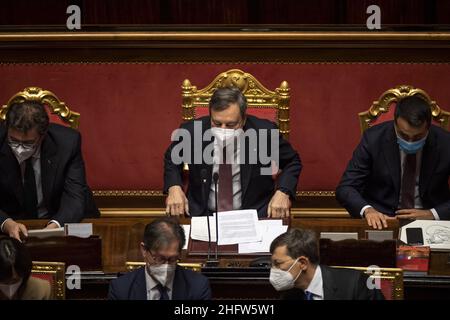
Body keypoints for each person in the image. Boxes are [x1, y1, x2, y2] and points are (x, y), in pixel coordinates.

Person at [164, 86, 302, 218]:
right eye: (217, 124)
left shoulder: (264, 133)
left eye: (231, 125)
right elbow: (171, 159)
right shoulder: (192, 132)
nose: (223, 130)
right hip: (204, 215)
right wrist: (174, 187)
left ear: (243, 120)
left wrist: (283, 192)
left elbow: (292, 161)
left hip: (254, 214)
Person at [336, 96, 450, 229]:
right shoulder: (373, 139)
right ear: (394, 123)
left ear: (428, 128)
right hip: (382, 219)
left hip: (430, 222)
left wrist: (433, 214)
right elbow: (346, 188)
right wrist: (368, 210)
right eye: (404, 135)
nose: (410, 142)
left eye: (418, 137)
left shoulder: (446, 143)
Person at [0, 101, 99, 241]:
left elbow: (75, 196)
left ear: (43, 135)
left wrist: (54, 226)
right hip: (12, 225)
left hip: (59, 220)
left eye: (28, 143)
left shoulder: (67, 142)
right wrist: (5, 223)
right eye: (14, 141)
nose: (19, 148)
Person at [108, 217, 211, 300]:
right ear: (144, 250)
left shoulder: (198, 287)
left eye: (172, 259)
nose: (166, 266)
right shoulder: (121, 289)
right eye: (159, 258)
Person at [269, 228, 384, 300]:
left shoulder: (356, 284)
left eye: (278, 263)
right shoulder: (289, 295)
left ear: (303, 263)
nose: (273, 269)